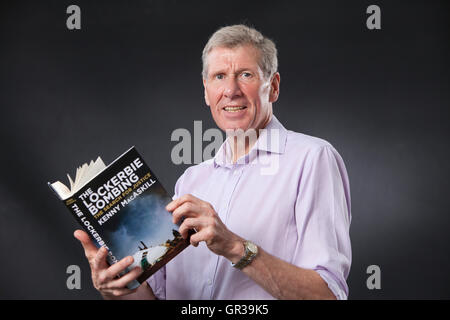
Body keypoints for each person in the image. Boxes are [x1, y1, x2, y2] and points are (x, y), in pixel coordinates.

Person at [74, 24, 352, 300]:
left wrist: (234, 247)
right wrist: (116, 289)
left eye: (246, 74)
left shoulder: (312, 159)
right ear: (207, 92)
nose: (231, 90)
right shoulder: (191, 181)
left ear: (274, 87)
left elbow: (327, 296)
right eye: (219, 76)